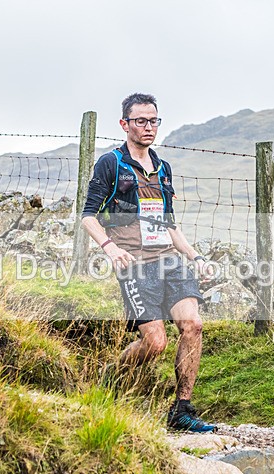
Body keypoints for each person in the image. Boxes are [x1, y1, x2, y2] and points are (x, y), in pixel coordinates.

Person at [81, 93, 216, 433]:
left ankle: (182, 408)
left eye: (153, 120)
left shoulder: (163, 169)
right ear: (124, 124)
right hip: (135, 263)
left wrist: (195, 257)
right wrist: (110, 248)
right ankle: (112, 377)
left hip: (169, 259)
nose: (148, 127)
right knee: (155, 342)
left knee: (193, 326)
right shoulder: (111, 164)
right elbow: (88, 217)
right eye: (140, 120)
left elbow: (170, 226)